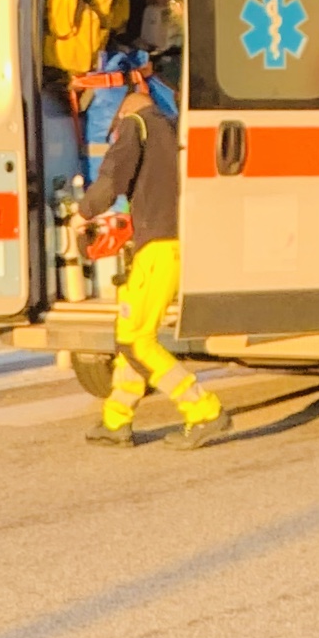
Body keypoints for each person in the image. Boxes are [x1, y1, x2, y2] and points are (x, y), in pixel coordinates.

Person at [74, 76, 231, 450]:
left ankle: (203, 410)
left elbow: (113, 177)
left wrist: (83, 212)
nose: (111, 132)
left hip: (158, 249)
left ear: (120, 108)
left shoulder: (136, 126)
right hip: (164, 246)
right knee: (130, 337)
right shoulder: (170, 129)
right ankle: (116, 420)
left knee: (138, 339)